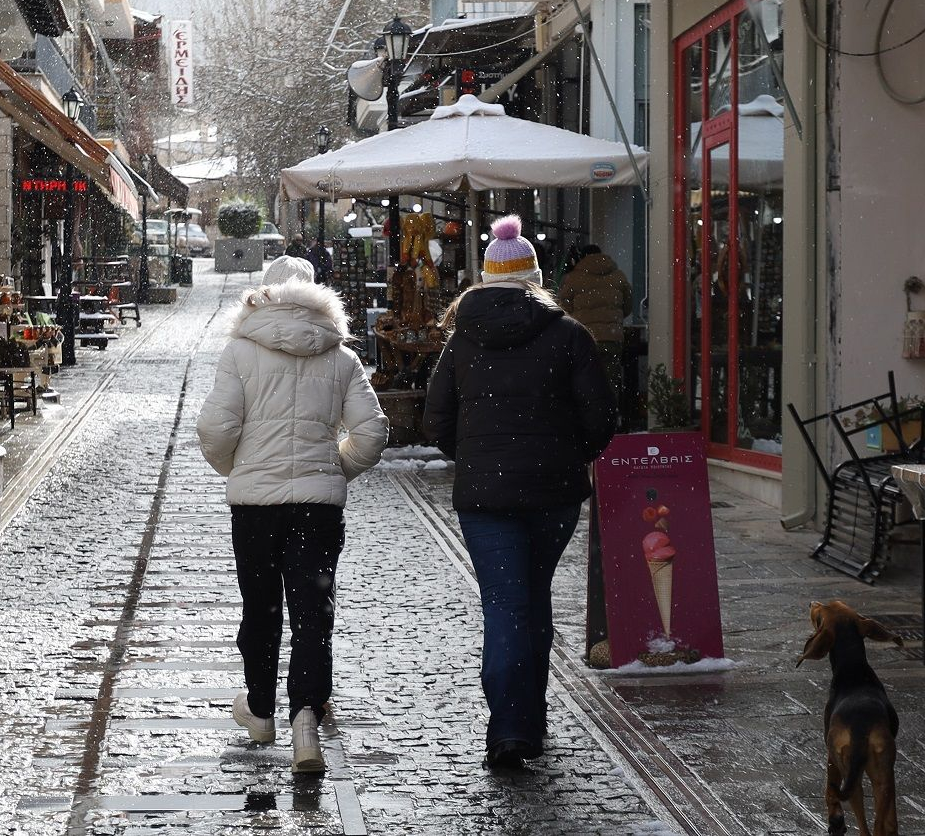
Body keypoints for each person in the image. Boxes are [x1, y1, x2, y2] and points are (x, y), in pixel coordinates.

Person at [422, 215, 617, 768]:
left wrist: (476, 458)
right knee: (533, 595)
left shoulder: (462, 339)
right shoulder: (569, 334)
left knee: (507, 603)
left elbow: (435, 420)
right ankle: (528, 717)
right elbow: (601, 418)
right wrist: (567, 455)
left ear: (485, 279)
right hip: (554, 495)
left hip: (486, 500)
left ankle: (513, 726)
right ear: (535, 278)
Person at [196, 255, 388, 773]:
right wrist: (332, 469)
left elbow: (215, 428)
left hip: (255, 509)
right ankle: (306, 719)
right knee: (312, 613)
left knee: (260, 608)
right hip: (317, 511)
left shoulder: (240, 351)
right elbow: (372, 433)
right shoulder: (341, 357)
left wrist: (238, 469)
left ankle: (260, 711)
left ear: (263, 294)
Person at [557, 244, 633, 424]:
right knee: (611, 380)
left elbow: (563, 308)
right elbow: (627, 307)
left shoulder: (573, 278)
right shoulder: (618, 276)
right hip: (612, 338)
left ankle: (589, 420)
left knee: (585, 380)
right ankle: (610, 419)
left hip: (584, 339)